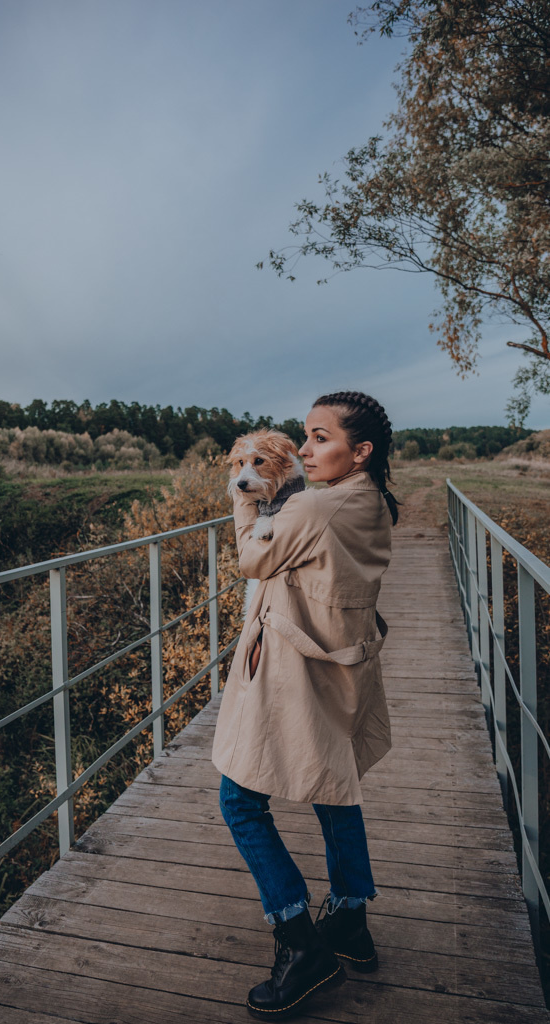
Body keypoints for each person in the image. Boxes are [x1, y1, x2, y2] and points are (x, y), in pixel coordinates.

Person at [212, 390, 399, 1021]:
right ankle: (350, 920)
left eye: (321, 438)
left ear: (360, 450)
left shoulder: (315, 506)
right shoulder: (372, 500)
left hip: (300, 670)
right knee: (335, 785)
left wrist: (245, 498)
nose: (306, 450)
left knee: (237, 800)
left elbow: (250, 558)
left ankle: (298, 941)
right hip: (342, 663)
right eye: (305, 436)